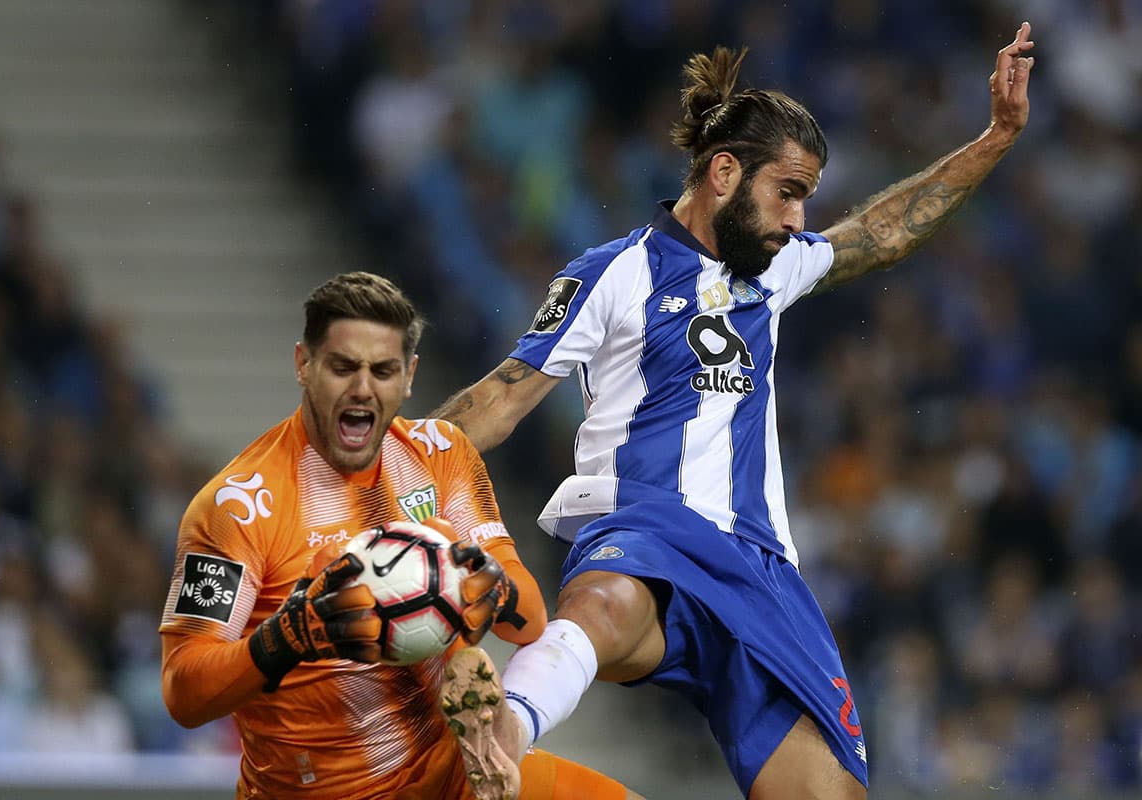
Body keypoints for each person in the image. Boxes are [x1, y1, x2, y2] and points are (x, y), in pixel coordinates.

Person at [433, 24, 1037, 800]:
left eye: (806, 199)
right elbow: (498, 400)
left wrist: (996, 136)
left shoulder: (776, 269)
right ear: (724, 172)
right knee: (605, 605)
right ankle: (504, 732)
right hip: (647, 526)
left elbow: (882, 232)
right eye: (787, 192)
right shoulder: (616, 273)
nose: (797, 219)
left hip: (761, 574)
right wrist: (385, 480)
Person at [159, 271, 641, 799]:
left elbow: (528, 622)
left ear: (408, 376)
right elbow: (185, 692)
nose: (363, 388)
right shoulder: (238, 508)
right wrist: (290, 636)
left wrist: (478, 583)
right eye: (343, 368)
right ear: (304, 364)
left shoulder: (441, 454)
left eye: (382, 370)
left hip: (456, 777)